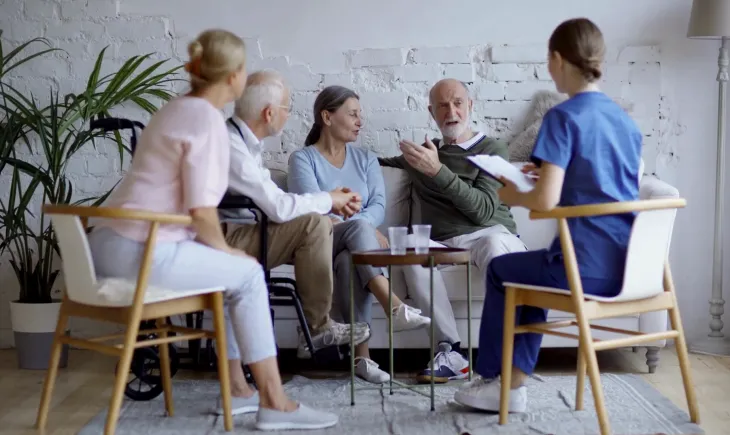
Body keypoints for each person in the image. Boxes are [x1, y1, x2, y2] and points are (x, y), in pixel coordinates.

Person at [86, 29, 338, 430]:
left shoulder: (175, 109)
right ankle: (274, 402)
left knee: (232, 279)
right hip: (142, 249)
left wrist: (222, 254)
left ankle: (239, 391)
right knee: (249, 274)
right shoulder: (207, 121)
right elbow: (202, 211)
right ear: (236, 76)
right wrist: (226, 250)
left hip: (102, 246)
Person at [453, 17, 642, 413]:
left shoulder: (562, 117)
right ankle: (514, 384)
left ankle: (495, 380)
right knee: (528, 271)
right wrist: (552, 174)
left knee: (503, 270)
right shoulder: (624, 119)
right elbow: (606, 180)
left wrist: (511, 194)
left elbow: (544, 201)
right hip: (628, 266)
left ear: (557, 59)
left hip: (582, 266)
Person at [220, 69, 372, 366]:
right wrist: (330, 199)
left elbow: (273, 202)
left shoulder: (245, 144)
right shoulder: (232, 147)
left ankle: (318, 327)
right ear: (268, 113)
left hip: (244, 229)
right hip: (224, 237)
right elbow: (277, 206)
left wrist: (330, 200)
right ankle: (317, 328)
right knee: (315, 223)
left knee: (319, 223)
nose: (289, 116)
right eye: (287, 109)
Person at [378, 78, 526, 382]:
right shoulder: (424, 154)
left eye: (458, 102)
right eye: (442, 105)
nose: (451, 111)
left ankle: (505, 352)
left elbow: (483, 210)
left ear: (470, 106)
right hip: (446, 245)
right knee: (412, 249)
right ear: (432, 112)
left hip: (491, 234)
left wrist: (437, 171)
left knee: (494, 247)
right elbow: (372, 163)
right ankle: (451, 352)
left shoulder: (492, 149)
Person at [287, 85, 434, 384]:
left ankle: (362, 359)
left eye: (360, 115)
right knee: (353, 236)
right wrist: (362, 226)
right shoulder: (303, 159)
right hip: (315, 243)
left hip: (348, 246)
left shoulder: (366, 158)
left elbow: (378, 204)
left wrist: (362, 225)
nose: (360, 121)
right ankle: (394, 306)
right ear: (327, 117)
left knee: (347, 261)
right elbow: (314, 210)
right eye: (352, 114)